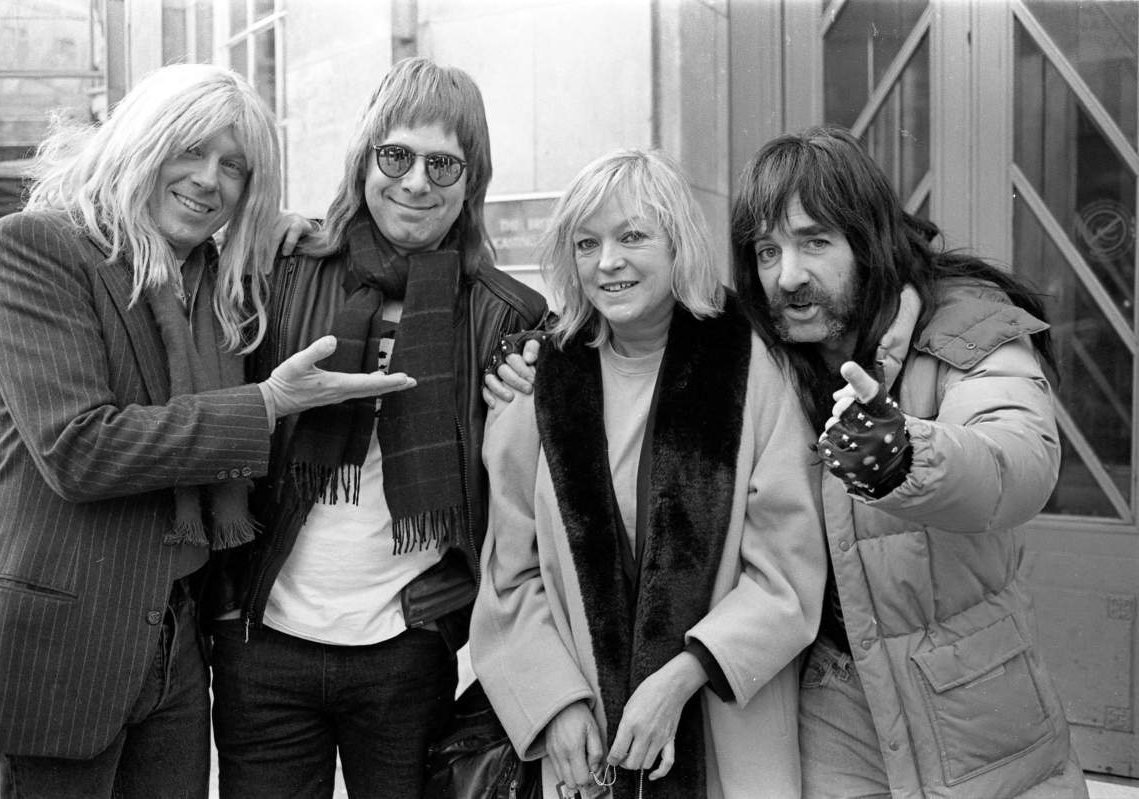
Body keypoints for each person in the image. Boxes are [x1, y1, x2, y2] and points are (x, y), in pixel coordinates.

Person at [0, 63, 414, 799]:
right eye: (190, 150)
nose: (208, 180)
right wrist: (262, 406)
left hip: (178, 643)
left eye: (234, 166)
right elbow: (79, 448)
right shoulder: (38, 248)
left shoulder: (218, 281)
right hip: (66, 640)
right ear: (142, 141)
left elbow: (333, 270)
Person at [207, 57, 548, 799]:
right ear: (365, 160)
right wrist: (227, 599)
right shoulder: (284, 268)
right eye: (396, 155)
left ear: (472, 179)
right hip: (262, 641)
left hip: (407, 646)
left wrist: (532, 393)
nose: (416, 182)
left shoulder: (506, 316)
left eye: (443, 164)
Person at [728, 125, 1087, 798]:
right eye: (767, 249)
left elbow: (1018, 462)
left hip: (980, 709)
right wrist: (537, 363)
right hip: (834, 706)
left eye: (814, 241)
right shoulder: (763, 359)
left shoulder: (965, 323)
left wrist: (900, 453)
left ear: (868, 241)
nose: (788, 274)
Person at [469, 149, 826, 799]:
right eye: (586, 242)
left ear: (678, 244)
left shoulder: (750, 370)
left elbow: (788, 571)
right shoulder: (537, 384)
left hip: (724, 729)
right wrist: (557, 703)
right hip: (587, 744)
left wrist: (683, 673)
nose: (607, 261)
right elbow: (508, 579)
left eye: (632, 235)